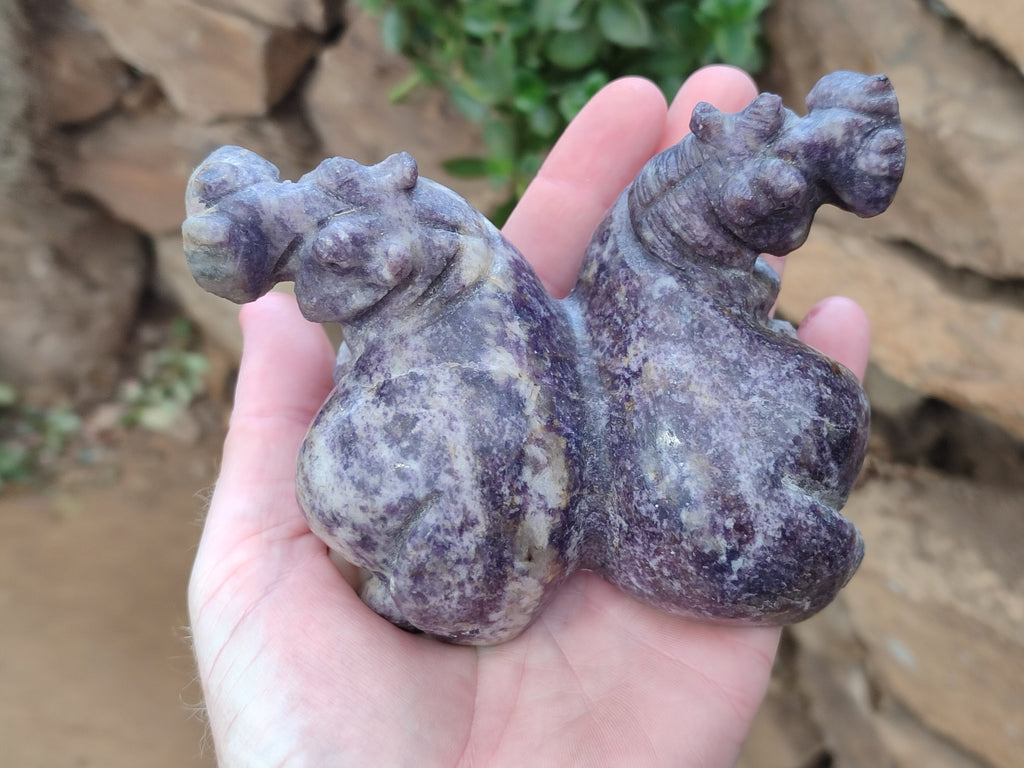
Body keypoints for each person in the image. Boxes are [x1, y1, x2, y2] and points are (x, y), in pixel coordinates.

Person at [187, 65, 871, 767]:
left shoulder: (450, 259)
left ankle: (798, 158)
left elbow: (475, 591)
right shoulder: (446, 290)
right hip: (637, 487)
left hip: (652, 457)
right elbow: (476, 586)